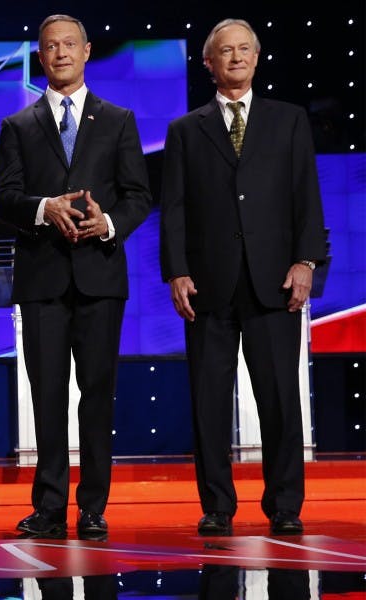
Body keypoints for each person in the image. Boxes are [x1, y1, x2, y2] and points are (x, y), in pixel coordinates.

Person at [160, 18, 326, 537]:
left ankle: (284, 504)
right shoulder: (186, 129)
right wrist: (176, 271)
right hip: (208, 283)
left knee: (279, 399)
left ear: (257, 58)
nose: (235, 58)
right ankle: (216, 506)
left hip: (274, 280)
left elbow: (306, 196)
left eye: (244, 50)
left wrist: (307, 260)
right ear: (208, 63)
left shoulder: (289, 120)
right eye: (224, 51)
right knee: (209, 401)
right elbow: (175, 208)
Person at [0, 14, 152, 540]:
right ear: (40, 57)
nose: (60, 53)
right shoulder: (18, 126)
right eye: (50, 47)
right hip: (42, 278)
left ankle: (94, 507)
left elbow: (139, 196)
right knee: (49, 396)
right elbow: (3, 198)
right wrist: (42, 208)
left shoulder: (118, 119)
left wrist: (108, 224)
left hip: (100, 276)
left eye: (69, 45)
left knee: (98, 393)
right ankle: (50, 506)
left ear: (86, 51)